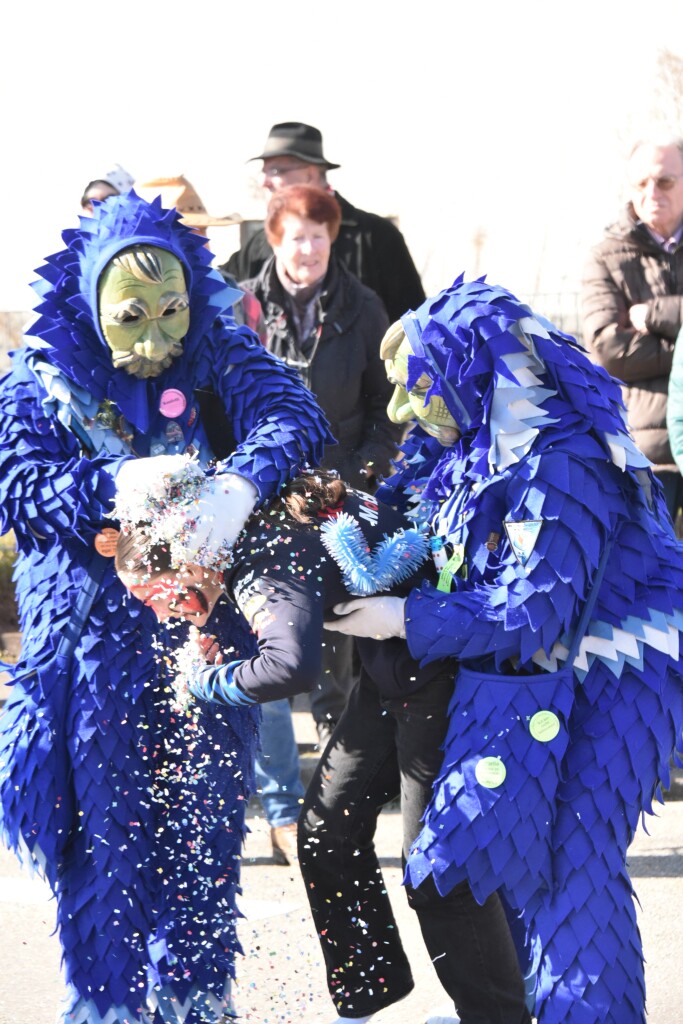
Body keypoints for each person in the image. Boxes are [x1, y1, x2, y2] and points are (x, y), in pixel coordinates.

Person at [0, 190, 331, 1024]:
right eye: (131, 318)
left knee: (205, 828)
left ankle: (197, 1001)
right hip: (92, 646)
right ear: (90, 305)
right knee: (105, 840)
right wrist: (103, 485)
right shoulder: (41, 374)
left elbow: (295, 413)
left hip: (200, 635)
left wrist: (237, 483)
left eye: (171, 313)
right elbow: (15, 486)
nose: (154, 343)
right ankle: (111, 1008)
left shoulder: (218, 346)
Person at [326, 276, 683, 1023]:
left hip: (622, 681)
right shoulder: (477, 443)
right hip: (541, 682)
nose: (400, 409)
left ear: (463, 370)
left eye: (413, 387)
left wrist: (404, 616)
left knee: (572, 860)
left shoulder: (560, 461)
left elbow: (532, 610)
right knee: (511, 857)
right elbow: (423, 525)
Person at [112, 458, 531, 1024]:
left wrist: (208, 682)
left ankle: (496, 1016)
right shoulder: (242, 529)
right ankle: (368, 996)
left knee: (436, 868)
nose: (167, 614)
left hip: (442, 676)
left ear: (192, 555)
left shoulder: (260, 566)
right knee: (325, 834)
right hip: (392, 672)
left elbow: (290, 670)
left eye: (170, 598)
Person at [241, 182, 402, 860]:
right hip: (263, 504)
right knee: (275, 653)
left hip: (338, 502)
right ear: (274, 237)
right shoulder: (241, 307)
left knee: (339, 654)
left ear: (332, 238)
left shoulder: (363, 308)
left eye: (318, 234)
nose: (306, 248)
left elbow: (385, 410)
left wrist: (359, 472)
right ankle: (278, 804)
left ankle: (330, 809)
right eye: (294, 234)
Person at [222, 121, 426, 322]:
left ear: (310, 174)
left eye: (275, 171)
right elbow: (221, 292)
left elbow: (415, 325)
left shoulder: (377, 236)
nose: (264, 182)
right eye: (264, 172)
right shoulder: (262, 241)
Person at [582, 137, 683, 521]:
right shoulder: (605, 257)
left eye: (665, 182)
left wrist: (655, 315)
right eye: (641, 184)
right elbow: (609, 350)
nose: (652, 192)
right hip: (642, 456)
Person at [135, 174, 267, 341]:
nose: (200, 244)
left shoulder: (243, 302)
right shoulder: (117, 309)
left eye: (203, 230)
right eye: (184, 233)